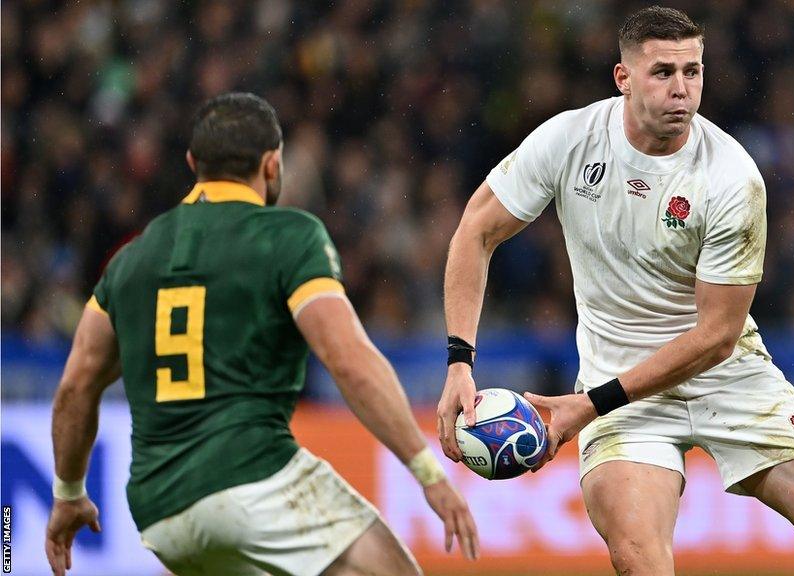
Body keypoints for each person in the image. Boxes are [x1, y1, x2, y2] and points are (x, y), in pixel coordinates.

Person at [437, 7, 794, 576]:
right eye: (663, 72)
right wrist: (458, 362)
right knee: (640, 564)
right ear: (623, 79)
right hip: (619, 386)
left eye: (692, 72)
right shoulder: (570, 140)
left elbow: (717, 338)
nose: (682, 90)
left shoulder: (730, 177)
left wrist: (587, 405)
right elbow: (475, 230)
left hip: (726, 378)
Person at [46, 92, 479, 576]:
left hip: (159, 510)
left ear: (193, 164)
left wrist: (68, 494)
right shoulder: (288, 236)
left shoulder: (129, 261)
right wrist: (427, 473)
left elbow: (74, 387)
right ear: (273, 165)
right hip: (254, 476)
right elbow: (348, 360)